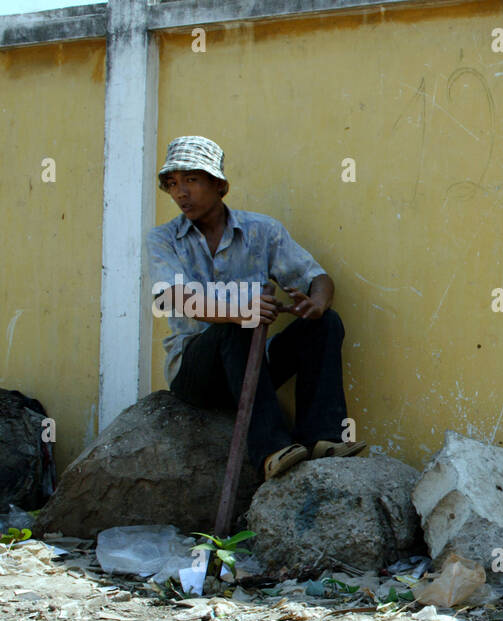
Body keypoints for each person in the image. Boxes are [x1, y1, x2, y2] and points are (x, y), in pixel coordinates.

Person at [147, 135, 363, 480]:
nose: (180, 193)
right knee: (237, 325)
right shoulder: (162, 239)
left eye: (191, 180)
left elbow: (317, 277)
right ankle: (271, 449)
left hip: (254, 364)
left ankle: (323, 437)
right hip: (197, 373)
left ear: (220, 185)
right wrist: (239, 310)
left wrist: (317, 304)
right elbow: (173, 298)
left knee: (326, 324)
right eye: (172, 183)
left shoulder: (263, 231)